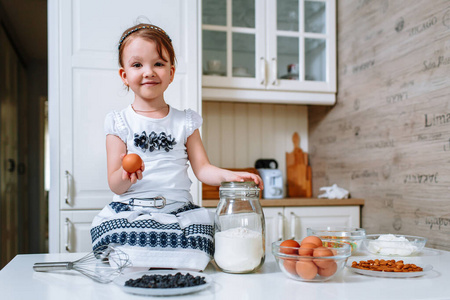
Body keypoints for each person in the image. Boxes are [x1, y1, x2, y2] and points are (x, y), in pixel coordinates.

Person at [90, 23, 263, 271]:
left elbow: (203, 169)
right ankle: (157, 258)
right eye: (137, 65)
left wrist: (231, 176)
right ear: (124, 75)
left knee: (203, 235)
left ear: (171, 73)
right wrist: (126, 176)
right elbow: (115, 184)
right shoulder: (119, 122)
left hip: (178, 213)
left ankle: (146, 259)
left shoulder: (185, 121)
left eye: (158, 64)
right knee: (111, 231)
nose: (149, 71)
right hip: (133, 211)